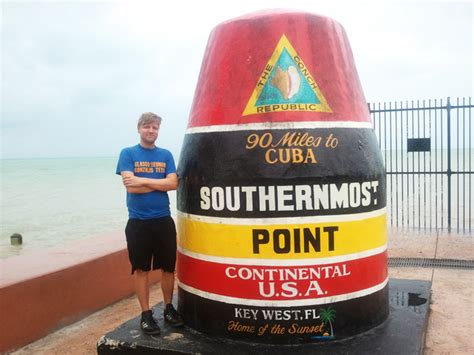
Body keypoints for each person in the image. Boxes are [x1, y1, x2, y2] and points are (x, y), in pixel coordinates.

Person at [116, 112, 183, 335]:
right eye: (147, 127)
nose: (151, 131)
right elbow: (130, 187)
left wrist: (142, 179)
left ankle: (168, 308)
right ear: (139, 128)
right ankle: (146, 314)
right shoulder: (128, 153)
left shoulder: (165, 154)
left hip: (163, 220)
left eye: (155, 127)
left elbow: (173, 184)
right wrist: (159, 183)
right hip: (138, 223)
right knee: (141, 270)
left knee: (167, 268)